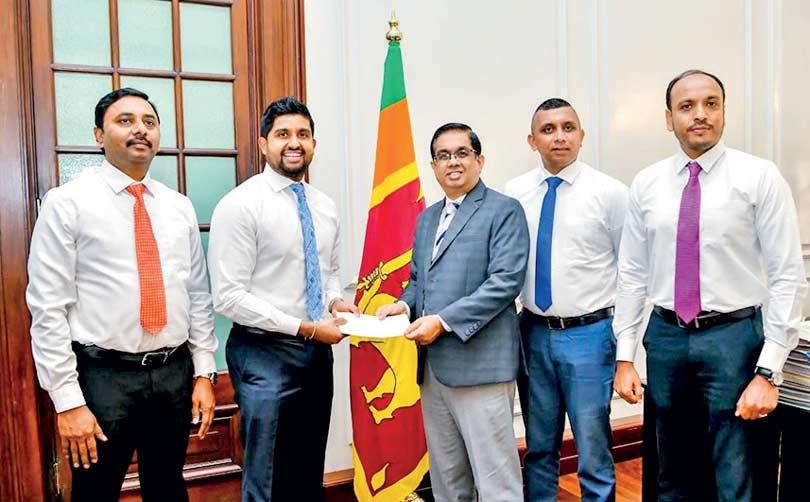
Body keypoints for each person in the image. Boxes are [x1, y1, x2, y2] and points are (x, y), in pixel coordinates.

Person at [612, 69, 807, 501]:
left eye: (711, 104)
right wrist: (625, 356)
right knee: (672, 472)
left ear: (723, 112)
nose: (700, 114)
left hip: (734, 339)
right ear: (669, 119)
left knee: (738, 472)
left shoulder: (759, 177)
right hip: (665, 337)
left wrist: (769, 371)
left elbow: (787, 275)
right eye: (687, 106)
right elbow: (632, 273)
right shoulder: (647, 183)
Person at [26, 87, 219, 502]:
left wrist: (204, 372)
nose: (140, 130)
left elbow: (197, 296)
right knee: (95, 492)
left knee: (168, 487)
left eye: (149, 122)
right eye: (125, 121)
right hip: (103, 378)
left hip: (172, 373)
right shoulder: (67, 204)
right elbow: (47, 308)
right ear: (99, 135)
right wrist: (67, 401)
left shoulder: (179, 207)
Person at [207, 96, 357, 501]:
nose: (294, 143)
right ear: (263, 144)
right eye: (282, 134)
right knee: (268, 478)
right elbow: (229, 297)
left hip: (316, 354)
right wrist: (305, 327)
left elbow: (328, 271)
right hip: (263, 353)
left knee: (307, 470)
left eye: (303, 134)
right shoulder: (241, 205)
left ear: (313, 144)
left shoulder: (324, 206)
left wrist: (334, 302)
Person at [376, 123, 529, 501]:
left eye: (462, 153)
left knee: (496, 484)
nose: (453, 162)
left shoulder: (504, 210)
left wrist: (443, 322)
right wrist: (403, 305)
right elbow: (418, 281)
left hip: (481, 367)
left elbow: (504, 282)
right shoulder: (427, 219)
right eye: (443, 156)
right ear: (433, 166)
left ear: (480, 160)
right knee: (448, 482)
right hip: (433, 372)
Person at [505, 98, 628, 501]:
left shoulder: (610, 193)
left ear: (581, 135)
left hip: (589, 335)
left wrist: (627, 346)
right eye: (548, 129)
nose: (559, 136)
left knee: (593, 447)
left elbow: (632, 271)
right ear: (532, 140)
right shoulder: (515, 193)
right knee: (539, 445)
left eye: (568, 127)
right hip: (532, 332)